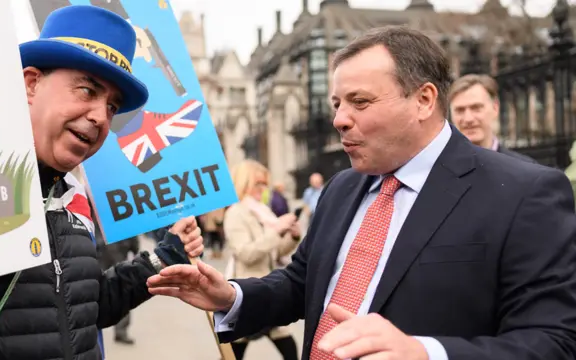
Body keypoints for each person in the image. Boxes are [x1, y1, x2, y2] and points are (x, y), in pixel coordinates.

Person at [147, 25, 576, 360]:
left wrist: (425, 351)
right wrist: (234, 296)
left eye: (360, 101)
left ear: (424, 100)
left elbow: (554, 343)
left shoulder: (525, 194)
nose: (340, 120)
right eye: (336, 104)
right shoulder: (343, 187)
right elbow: (302, 283)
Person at [0, 5, 205, 360]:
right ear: (31, 84)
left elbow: (85, 308)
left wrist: (163, 257)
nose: (100, 116)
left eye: (112, 105)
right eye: (86, 90)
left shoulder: (74, 200)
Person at [222, 160, 301, 360]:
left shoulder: (263, 211)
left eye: (265, 183)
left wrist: (291, 236)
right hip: (247, 292)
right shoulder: (235, 213)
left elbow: (273, 252)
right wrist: (276, 232)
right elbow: (246, 254)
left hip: (268, 289)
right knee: (233, 353)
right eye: (258, 183)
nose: (263, 189)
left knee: (289, 348)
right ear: (245, 183)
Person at [449, 74, 535, 162]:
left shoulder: (523, 168)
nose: (468, 119)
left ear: (495, 108)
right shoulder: (438, 169)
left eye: (476, 108)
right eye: (460, 110)